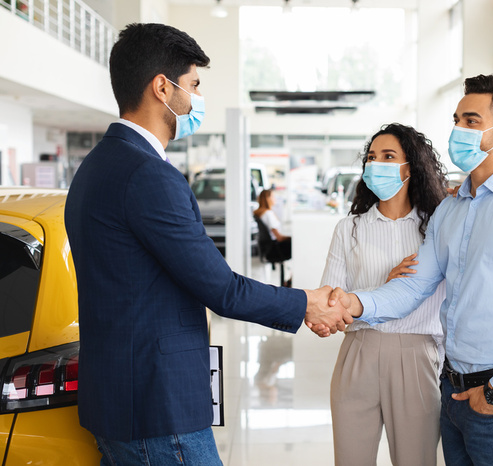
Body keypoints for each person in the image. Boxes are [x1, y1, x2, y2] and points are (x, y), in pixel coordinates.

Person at [64, 23, 351, 465]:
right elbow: (221, 288)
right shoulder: (147, 175)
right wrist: (307, 303)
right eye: (194, 85)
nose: (197, 99)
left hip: (118, 398)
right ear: (162, 87)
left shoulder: (97, 166)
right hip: (157, 409)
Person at [319, 74, 493, 466]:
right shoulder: (451, 209)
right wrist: (354, 302)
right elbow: (414, 286)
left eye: (471, 121)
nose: (458, 129)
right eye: (457, 119)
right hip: (453, 390)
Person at [320, 124, 447, 466]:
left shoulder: (437, 228)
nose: (377, 164)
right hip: (358, 352)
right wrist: (385, 286)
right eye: (372, 158)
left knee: (415, 461)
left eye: (389, 156)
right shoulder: (350, 228)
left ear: (412, 167)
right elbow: (333, 305)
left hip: (416, 354)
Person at [254, 189, 292, 258]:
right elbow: (279, 238)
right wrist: (293, 238)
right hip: (275, 249)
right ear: (267, 198)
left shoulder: (262, 213)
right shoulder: (268, 214)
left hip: (269, 247)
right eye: (273, 196)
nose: (275, 198)